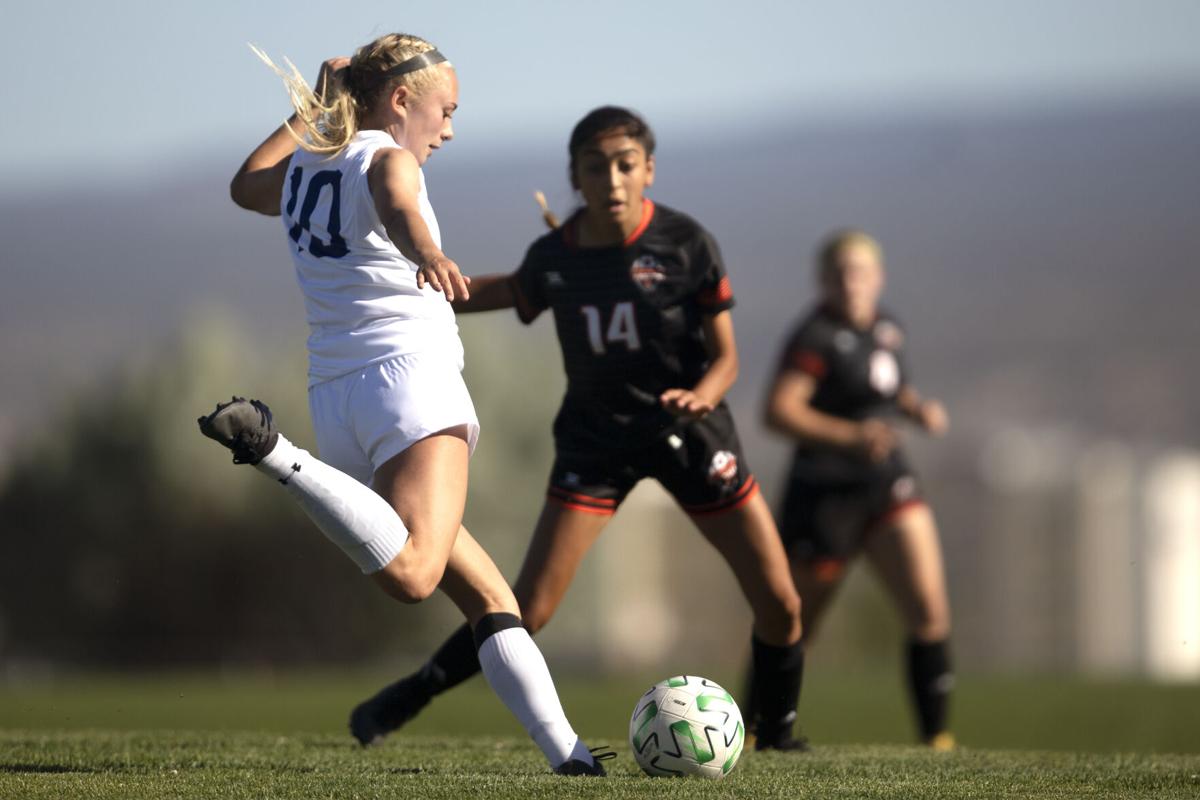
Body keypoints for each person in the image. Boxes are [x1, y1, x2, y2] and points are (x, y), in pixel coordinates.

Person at [198, 33, 610, 776]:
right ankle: (273, 452)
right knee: (418, 575)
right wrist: (427, 251)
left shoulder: (306, 166)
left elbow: (243, 184)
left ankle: (571, 759)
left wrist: (314, 113)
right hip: (409, 381)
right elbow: (398, 204)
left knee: (489, 593)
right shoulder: (389, 159)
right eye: (445, 111)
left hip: (339, 395)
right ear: (400, 101)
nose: (448, 129)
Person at [348, 106, 807, 752]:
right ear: (575, 177)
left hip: (691, 437)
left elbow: (727, 357)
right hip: (596, 444)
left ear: (648, 170)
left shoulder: (686, 243)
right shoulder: (556, 256)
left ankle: (778, 735)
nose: (612, 179)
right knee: (527, 604)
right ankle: (408, 696)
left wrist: (701, 396)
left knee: (781, 603)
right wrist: (411, 284)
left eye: (625, 165)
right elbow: (503, 291)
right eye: (596, 167)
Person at [761, 229, 955, 749]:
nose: (851, 282)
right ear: (823, 281)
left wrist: (917, 409)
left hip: (887, 480)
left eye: (861, 271)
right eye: (840, 272)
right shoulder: (814, 337)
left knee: (928, 608)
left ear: (878, 278)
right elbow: (779, 411)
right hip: (824, 494)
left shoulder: (888, 326)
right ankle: (755, 728)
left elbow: (890, 387)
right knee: (792, 622)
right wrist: (851, 435)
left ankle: (936, 737)